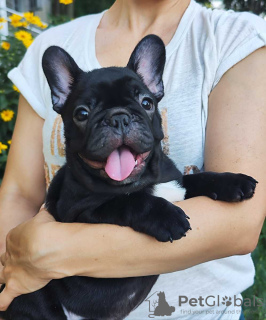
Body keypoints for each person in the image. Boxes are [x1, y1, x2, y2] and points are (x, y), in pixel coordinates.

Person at [0, 0, 266, 319]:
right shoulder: (52, 41)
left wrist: (44, 252)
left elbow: (237, 224)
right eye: (85, 113)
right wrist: (9, 281)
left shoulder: (231, 37)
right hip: (63, 306)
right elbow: (18, 194)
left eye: (141, 103)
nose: (120, 122)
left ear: (155, 87)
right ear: (63, 98)